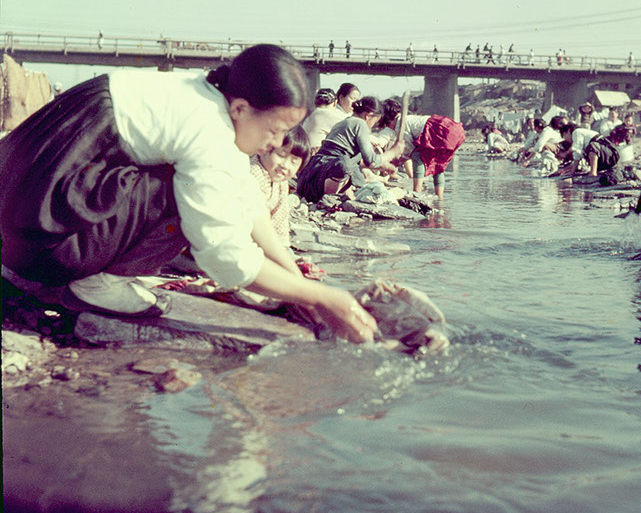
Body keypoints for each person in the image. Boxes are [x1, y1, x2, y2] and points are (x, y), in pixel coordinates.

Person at [0, 44, 376, 342]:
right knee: (186, 189)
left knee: (204, 186)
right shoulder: (209, 131)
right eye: (275, 130)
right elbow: (224, 254)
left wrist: (296, 279)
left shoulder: (204, 95)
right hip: (34, 241)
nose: (276, 143)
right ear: (241, 108)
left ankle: (91, 270)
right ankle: (98, 284)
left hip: (23, 214)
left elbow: (246, 202)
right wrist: (323, 297)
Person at [295, 97, 405, 203]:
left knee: (348, 165)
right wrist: (394, 152)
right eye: (374, 123)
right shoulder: (360, 123)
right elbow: (371, 161)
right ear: (368, 116)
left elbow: (358, 161)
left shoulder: (341, 123)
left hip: (311, 176)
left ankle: (341, 194)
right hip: (322, 181)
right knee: (343, 165)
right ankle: (331, 198)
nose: (372, 127)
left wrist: (386, 166)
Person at [381, 99, 465, 200]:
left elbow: (408, 149)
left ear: (388, 120)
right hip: (454, 130)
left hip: (439, 130)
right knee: (438, 165)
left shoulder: (401, 123)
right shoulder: (409, 118)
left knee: (417, 155)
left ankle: (417, 192)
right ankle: (440, 198)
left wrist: (395, 162)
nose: (390, 129)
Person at [249, 124, 311, 247]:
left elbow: (280, 221)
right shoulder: (253, 174)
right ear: (265, 149)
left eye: (294, 162)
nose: (285, 165)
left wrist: (284, 246)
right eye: (281, 155)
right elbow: (255, 222)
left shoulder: (281, 182)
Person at [302, 87, 341, 152]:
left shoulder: (311, 114)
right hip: (315, 154)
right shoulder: (328, 115)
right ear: (335, 103)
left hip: (304, 151)